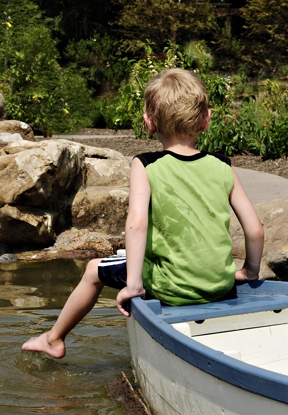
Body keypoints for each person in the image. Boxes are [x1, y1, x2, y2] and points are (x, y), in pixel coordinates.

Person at [21, 68, 264, 359]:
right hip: (221, 286)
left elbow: (136, 225)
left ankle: (54, 338)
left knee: (92, 270)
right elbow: (255, 229)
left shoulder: (146, 164)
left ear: (149, 123)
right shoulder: (222, 165)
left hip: (171, 288)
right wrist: (249, 271)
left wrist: (133, 285)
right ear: (206, 120)